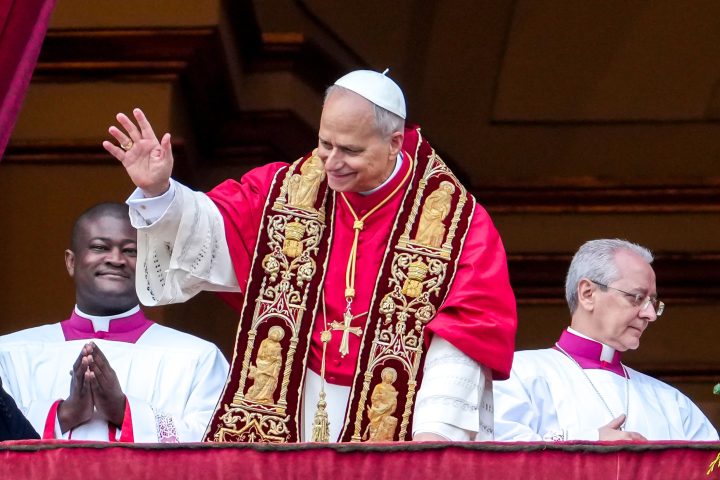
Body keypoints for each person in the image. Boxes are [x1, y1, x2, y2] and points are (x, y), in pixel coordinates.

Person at [103, 69, 517, 443]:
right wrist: (160, 191)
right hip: (292, 403)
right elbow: (212, 229)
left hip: (401, 423)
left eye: (350, 150)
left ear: (394, 143)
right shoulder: (286, 191)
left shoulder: (455, 223)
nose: (331, 164)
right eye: (324, 144)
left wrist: (433, 440)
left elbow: (466, 333)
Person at [0, 203, 229, 442]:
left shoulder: (199, 358)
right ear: (71, 262)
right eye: (100, 247)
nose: (116, 259)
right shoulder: (8, 353)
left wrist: (124, 411)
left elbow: (218, 444)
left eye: (131, 251)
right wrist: (66, 414)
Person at [493, 238, 718, 441]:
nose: (650, 314)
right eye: (637, 297)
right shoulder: (517, 375)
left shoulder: (673, 403)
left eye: (652, 302)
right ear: (588, 294)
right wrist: (589, 441)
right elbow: (496, 455)